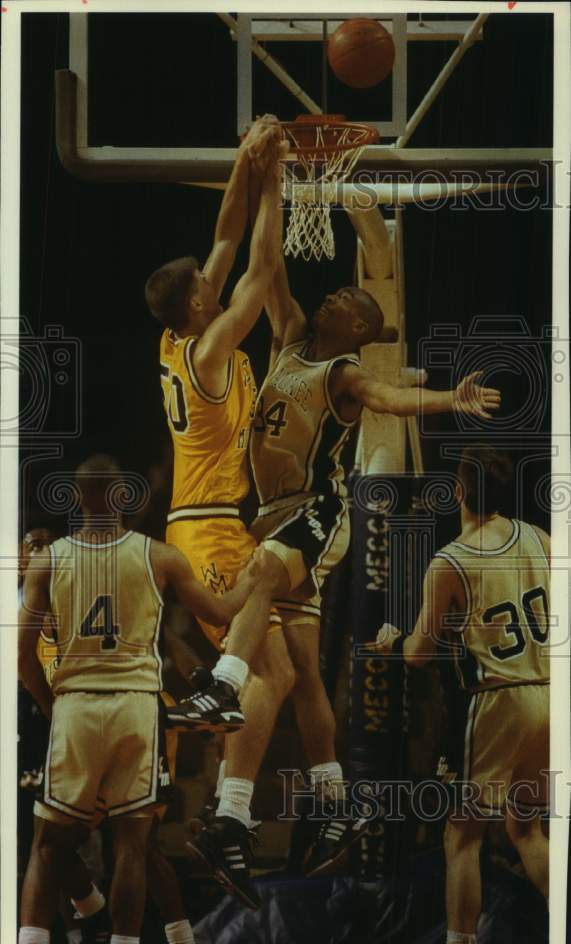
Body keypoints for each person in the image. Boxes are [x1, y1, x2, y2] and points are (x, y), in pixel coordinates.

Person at [177, 243, 501, 896]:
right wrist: (271, 178)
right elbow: (269, 267)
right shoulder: (293, 335)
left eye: (345, 302)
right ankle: (313, 801)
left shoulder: (347, 373)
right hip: (270, 511)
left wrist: (448, 400)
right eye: (331, 298)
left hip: (317, 510)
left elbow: (391, 397)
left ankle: (222, 683)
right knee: (297, 675)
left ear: (357, 327)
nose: (331, 299)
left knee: (261, 585)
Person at [17, 453, 261, 944]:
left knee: (47, 843)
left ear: (77, 499)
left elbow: (20, 658)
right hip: (135, 707)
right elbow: (221, 614)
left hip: (76, 703)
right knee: (133, 845)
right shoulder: (160, 557)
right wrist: (256, 582)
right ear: (124, 498)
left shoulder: (48, 560)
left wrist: (51, 704)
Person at [145, 124, 301, 909]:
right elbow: (263, 262)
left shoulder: (180, 336)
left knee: (281, 672)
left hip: (218, 520)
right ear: (198, 306)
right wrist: (276, 179)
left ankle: (229, 820)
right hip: (202, 527)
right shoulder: (209, 351)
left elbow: (226, 236)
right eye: (211, 288)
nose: (220, 284)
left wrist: (246, 159)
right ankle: (214, 688)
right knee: (265, 620)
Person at [372, 446, 550, 944]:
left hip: (499, 699)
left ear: (459, 492)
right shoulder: (541, 538)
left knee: (462, 834)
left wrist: (392, 642)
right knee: (526, 829)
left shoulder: (450, 559)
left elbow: (420, 652)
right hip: (550, 693)